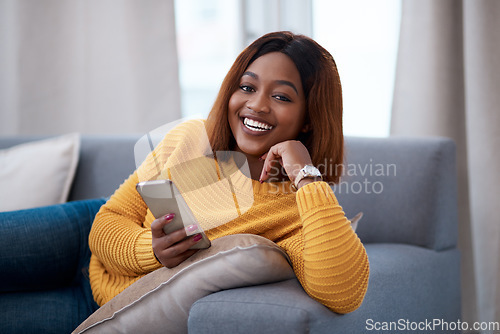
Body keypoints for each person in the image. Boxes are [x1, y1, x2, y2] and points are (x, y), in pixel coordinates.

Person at [88, 31, 370, 314]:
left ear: (309, 119)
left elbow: (343, 293)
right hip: (93, 255)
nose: (257, 105)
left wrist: (307, 176)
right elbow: (107, 222)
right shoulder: (190, 137)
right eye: (247, 88)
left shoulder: (293, 210)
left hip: (106, 309)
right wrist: (152, 250)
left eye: (281, 96)